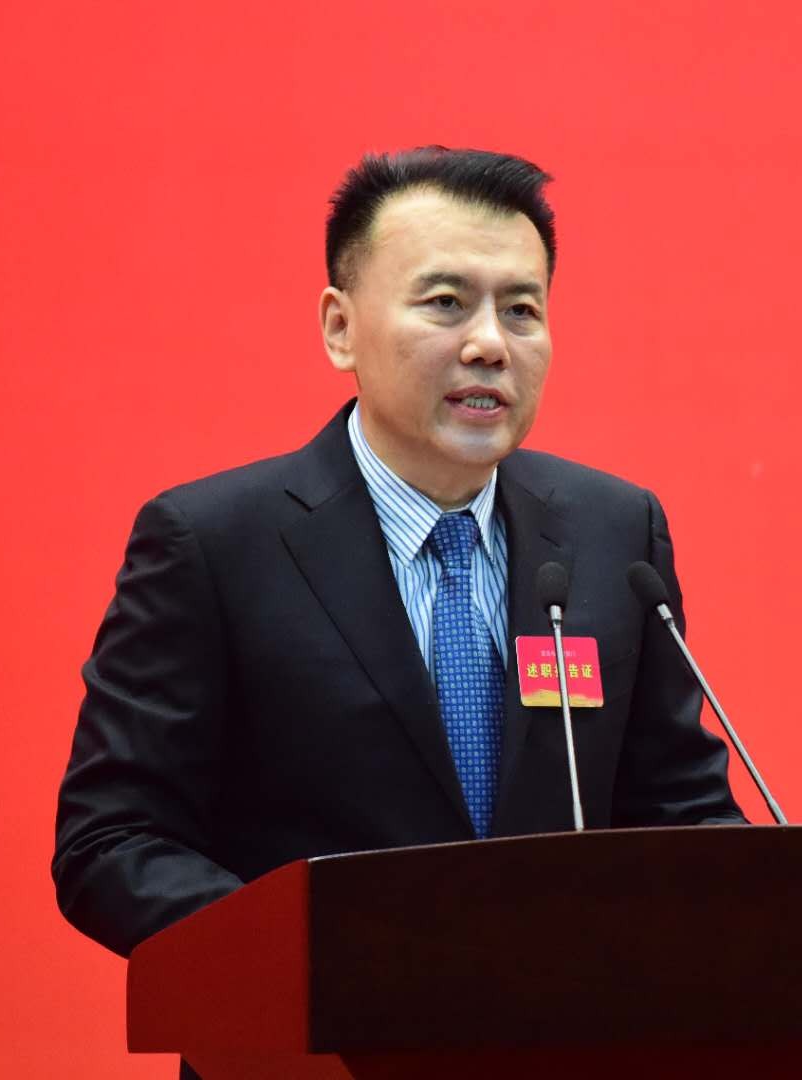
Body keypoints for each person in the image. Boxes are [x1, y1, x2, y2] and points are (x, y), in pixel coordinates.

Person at [51, 147, 744, 974]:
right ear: (340, 328)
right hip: (322, 1029)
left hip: (562, 1026)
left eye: (522, 310)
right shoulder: (213, 544)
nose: (490, 344)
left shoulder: (614, 533)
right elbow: (113, 839)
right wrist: (320, 962)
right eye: (446, 303)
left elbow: (681, 811)